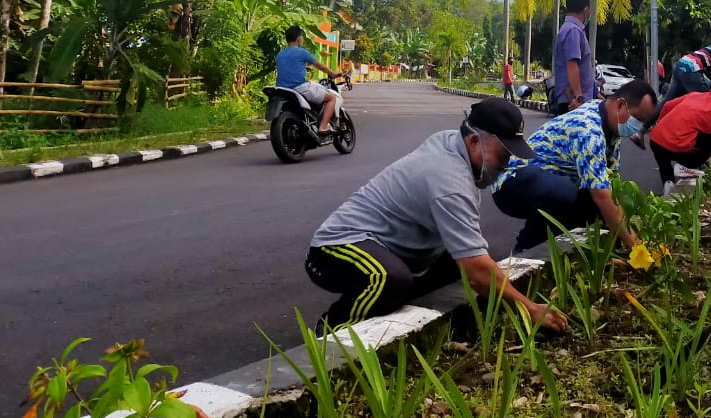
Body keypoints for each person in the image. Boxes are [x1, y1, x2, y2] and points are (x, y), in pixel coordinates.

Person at [306, 98, 567, 334]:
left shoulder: (453, 142)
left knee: (459, 266)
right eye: (504, 155)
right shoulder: (449, 180)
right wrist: (530, 310)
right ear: (474, 140)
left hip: (390, 248)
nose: (506, 165)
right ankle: (332, 332)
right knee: (389, 279)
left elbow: (475, 263)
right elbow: (478, 271)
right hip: (335, 249)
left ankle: (411, 324)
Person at [492, 80, 659, 253]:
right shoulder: (588, 128)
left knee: (589, 204)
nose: (639, 127)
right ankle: (525, 251)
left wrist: (621, 233)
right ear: (621, 105)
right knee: (569, 195)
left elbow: (611, 184)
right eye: (638, 119)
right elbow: (601, 195)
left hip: (548, 182)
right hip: (511, 182)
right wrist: (637, 248)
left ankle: (564, 250)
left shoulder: (609, 125)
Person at [276, 25, 342, 135]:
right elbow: (320, 66)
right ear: (299, 39)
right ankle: (323, 127)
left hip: (281, 89)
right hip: (299, 88)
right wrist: (332, 73)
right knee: (331, 98)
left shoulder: (280, 54)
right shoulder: (302, 52)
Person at [549, 0, 596, 115]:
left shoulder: (568, 28)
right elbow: (572, 64)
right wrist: (578, 97)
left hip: (572, 99)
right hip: (574, 102)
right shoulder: (573, 30)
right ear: (586, 10)